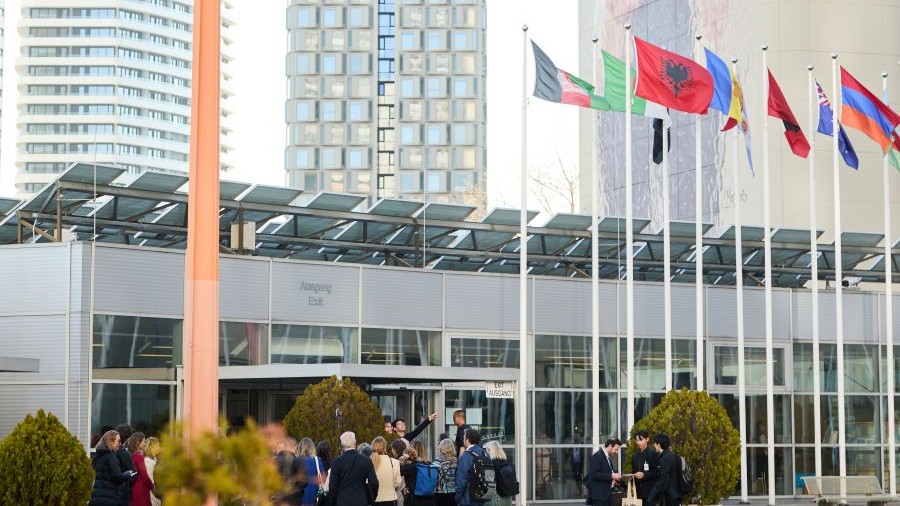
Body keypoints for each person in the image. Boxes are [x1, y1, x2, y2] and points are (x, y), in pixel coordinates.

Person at [328, 431, 379, 506]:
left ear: (342, 444)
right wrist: (371, 498)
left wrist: (332, 503)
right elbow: (374, 483)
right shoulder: (366, 461)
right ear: (355, 441)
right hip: (361, 500)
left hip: (342, 501)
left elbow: (333, 487)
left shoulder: (336, 462)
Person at [90, 430, 134, 506]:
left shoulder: (98, 456)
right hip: (110, 497)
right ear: (111, 442)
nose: (120, 444)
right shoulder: (112, 457)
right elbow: (117, 476)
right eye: (118, 441)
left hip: (97, 496)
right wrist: (127, 474)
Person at [454, 428, 489, 506]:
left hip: (469, 498)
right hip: (484, 495)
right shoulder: (485, 454)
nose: (463, 440)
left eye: (464, 438)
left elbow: (461, 480)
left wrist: (458, 498)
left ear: (467, 440)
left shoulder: (466, 456)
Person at [646, 434, 680, 506]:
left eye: (655, 444)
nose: (654, 446)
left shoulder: (665, 458)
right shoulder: (674, 456)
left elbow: (663, 479)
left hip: (669, 496)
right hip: (676, 495)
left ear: (659, 445)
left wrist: (651, 497)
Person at [586, 438, 622, 506]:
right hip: (599, 497)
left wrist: (614, 479)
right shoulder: (597, 456)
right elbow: (594, 474)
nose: (616, 452)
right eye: (616, 449)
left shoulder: (607, 457)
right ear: (610, 446)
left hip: (605, 496)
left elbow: (606, 472)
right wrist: (611, 476)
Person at [371, 436, 403, 506]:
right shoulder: (395, 462)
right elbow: (398, 482)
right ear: (385, 448)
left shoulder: (369, 462)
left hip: (374, 499)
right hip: (390, 499)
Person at [293, 438, 325, 506]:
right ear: (312, 448)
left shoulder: (295, 461)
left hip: (298, 499)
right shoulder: (317, 461)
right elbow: (322, 479)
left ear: (300, 447)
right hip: (313, 498)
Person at [126, 432, 155, 506]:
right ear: (137, 442)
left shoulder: (129, 455)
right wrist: (152, 486)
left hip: (131, 489)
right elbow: (144, 475)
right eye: (144, 441)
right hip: (140, 490)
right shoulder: (139, 457)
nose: (145, 444)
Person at [631, 430, 659, 502]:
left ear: (647, 439)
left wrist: (644, 475)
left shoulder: (653, 454)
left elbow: (656, 472)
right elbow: (633, 471)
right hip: (638, 492)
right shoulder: (634, 455)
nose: (639, 442)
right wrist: (631, 477)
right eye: (637, 440)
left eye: (641, 440)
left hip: (650, 491)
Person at [484, 440, 514, 506]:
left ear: (490, 450)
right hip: (508, 497)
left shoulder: (490, 464)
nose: (485, 452)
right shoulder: (508, 462)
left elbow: (488, 484)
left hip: (496, 497)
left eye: (486, 450)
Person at [115, 424, 139, 505]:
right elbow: (133, 473)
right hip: (122, 492)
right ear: (128, 437)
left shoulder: (110, 451)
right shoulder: (123, 453)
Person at [433, 438, 458, 506]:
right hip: (453, 492)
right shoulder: (456, 461)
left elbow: (433, 477)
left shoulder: (437, 461)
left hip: (439, 492)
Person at [143, 437, 162, 506]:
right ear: (152, 447)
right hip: (152, 495)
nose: (159, 448)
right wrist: (158, 496)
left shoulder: (153, 460)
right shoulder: (149, 462)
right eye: (158, 446)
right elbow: (150, 480)